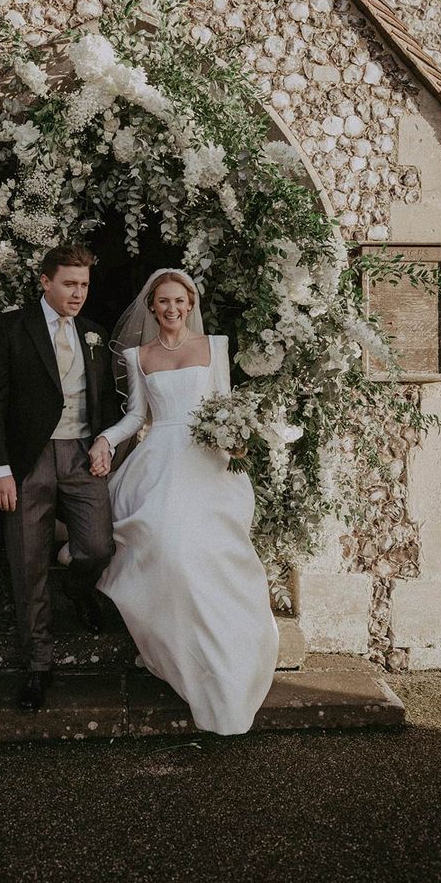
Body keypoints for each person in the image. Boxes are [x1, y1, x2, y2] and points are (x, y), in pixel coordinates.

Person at [96, 269, 280, 735]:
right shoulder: (138, 355)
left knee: (212, 556)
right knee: (167, 549)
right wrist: (104, 438)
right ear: (152, 306)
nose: (172, 309)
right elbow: (137, 415)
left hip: (208, 462)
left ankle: (230, 656)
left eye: (179, 300)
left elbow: (224, 402)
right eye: (163, 301)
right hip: (159, 461)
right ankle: (176, 649)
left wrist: (237, 436)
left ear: (190, 302)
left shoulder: (214, 347)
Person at [0, 242, 119, 712]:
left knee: (98, 546)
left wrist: (105, 442)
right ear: (45, 281)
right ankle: (37, 665)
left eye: (84, 285)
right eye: (70, 284)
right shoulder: (10, 327)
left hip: (80, 455)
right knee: (28, 561)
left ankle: (78, 590)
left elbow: (108, 404)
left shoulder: (94, 334)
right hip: (28, 459)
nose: (78, 294)